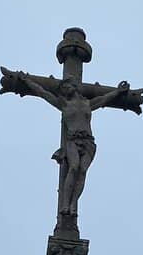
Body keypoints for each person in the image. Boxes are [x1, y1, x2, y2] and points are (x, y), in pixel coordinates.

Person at [15, 73, 129, 223]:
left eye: (66, 86)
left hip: (89, 142)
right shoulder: (64, 104)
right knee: (74, 167)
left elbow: (105, 99)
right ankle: (65, 204)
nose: (64, 90)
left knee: (82, 171)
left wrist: (118, 91)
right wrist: (27, 81)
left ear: (73, 87)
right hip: (72, 141)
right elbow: (43, 93)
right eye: (62, 88)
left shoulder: (88, 104)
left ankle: (73, 203)